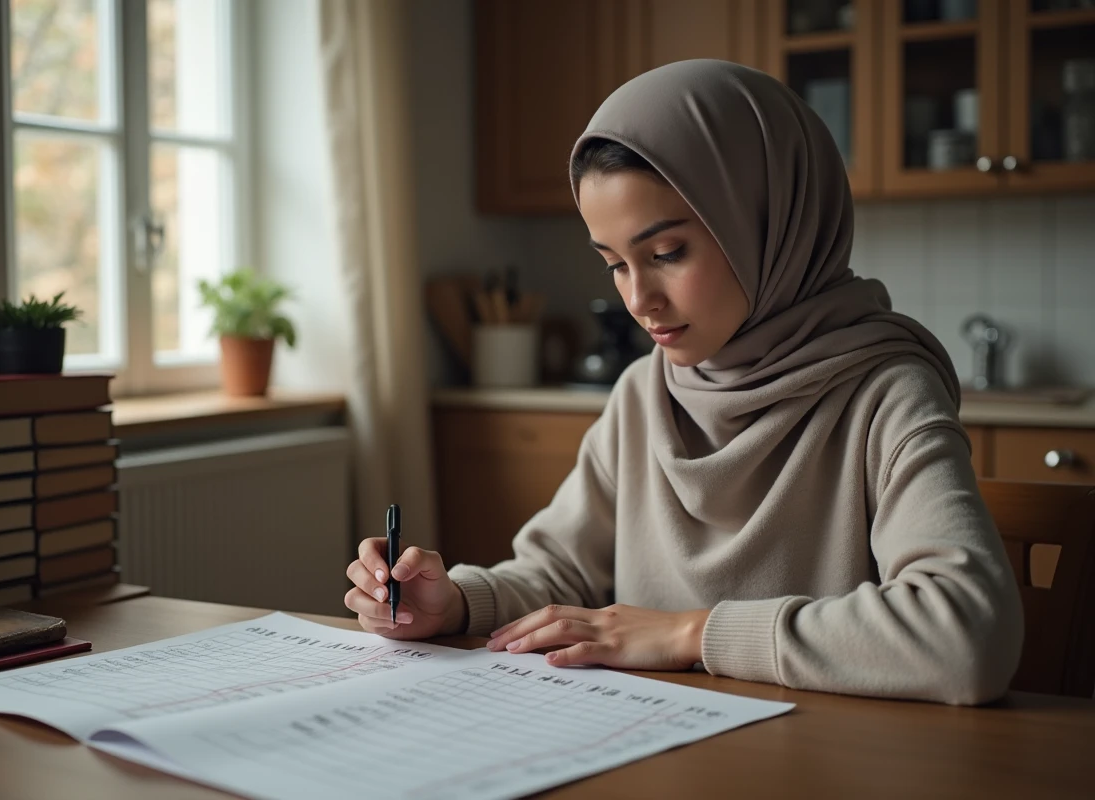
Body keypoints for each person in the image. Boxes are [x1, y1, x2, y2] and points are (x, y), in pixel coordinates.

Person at [343, 60, 1023, 705]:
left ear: (768, 223)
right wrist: (454, 601)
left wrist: (687, 634)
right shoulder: (645, 394)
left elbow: (965, 636)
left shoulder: (884, 392)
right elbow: (556, 575)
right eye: (614, 263)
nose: (639, 298)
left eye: (666, 253)